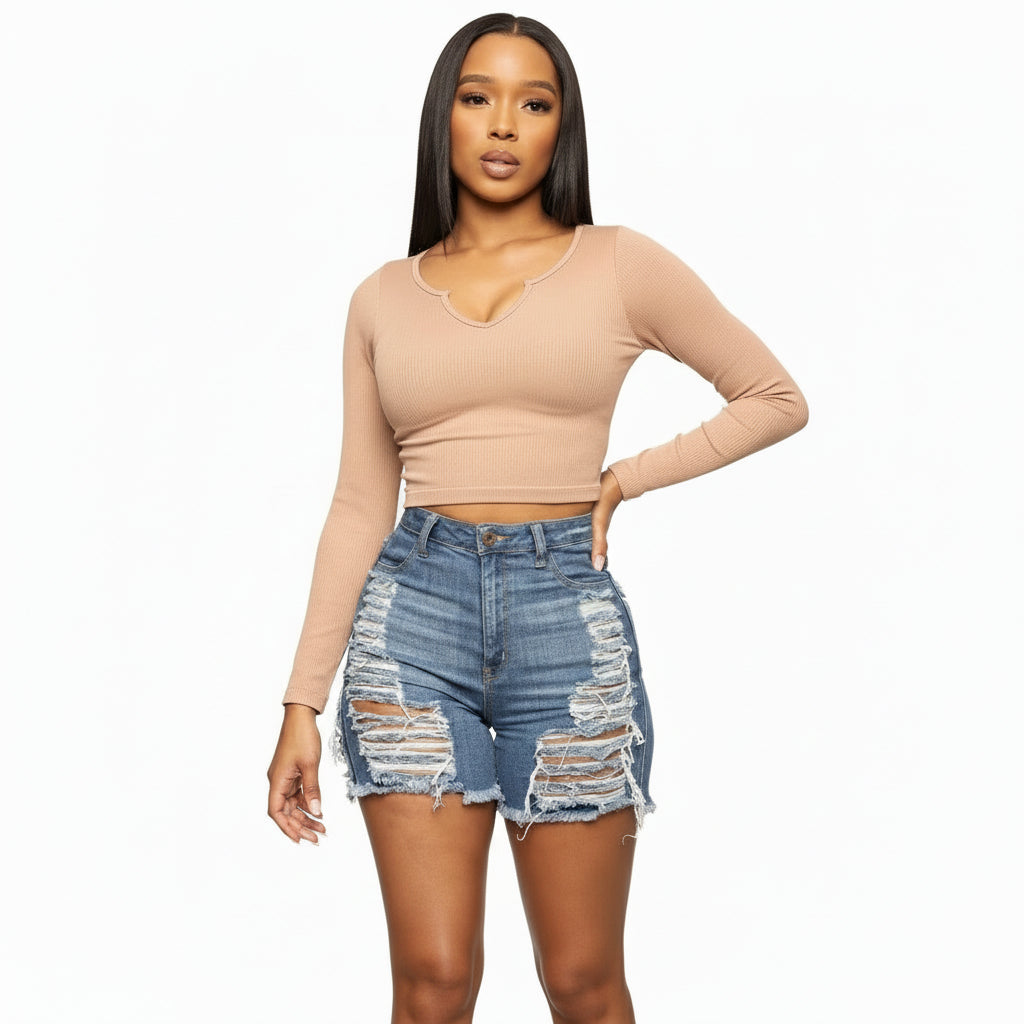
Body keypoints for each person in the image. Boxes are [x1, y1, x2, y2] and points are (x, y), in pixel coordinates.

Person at [267, 12, 809, 1023]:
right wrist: (302, 700)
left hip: (565, 621)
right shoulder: (380, 298)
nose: (504, 124)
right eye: (478, 97)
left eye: (535, 101)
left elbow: (773, 397)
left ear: (564, 127)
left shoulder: (619, 264)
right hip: (408, 625)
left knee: (582, 983)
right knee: (432, 982)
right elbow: (359, 502)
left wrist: (624, 478)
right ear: (445, 116)